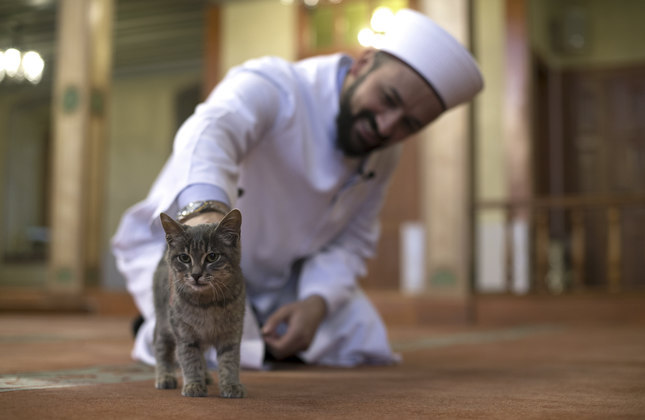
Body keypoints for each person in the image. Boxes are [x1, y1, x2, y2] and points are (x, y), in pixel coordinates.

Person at [112, 9, 483, 369]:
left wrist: (315, 303)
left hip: (276, 280)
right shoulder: (277, 84)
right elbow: (211, 131)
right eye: (388, 99)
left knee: (361, 333)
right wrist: (205, 215)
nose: (387, 126)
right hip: (190, 258)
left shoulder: (383, 154)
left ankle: (258, 328)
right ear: (362, 63)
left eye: (409, 124)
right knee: (207, 338)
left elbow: (351, 241)